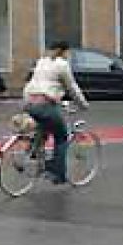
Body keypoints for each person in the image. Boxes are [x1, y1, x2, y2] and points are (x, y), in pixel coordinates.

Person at [23, 41, 89, 184]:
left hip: (29, 103)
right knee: (61, 137)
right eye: (68, 52)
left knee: (44, 128)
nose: (69, 55)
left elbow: (40, 84)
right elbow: (72, 87)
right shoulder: (62, 65)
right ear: (63, 51)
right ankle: (57, 173)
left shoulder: (42, 61)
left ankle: (33, 153)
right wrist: (83, 104)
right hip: (45, 105)